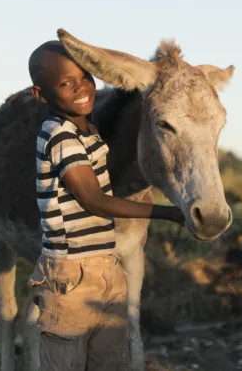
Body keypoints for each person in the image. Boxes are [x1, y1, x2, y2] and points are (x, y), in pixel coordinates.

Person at [27, 40, 185, 371]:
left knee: (109, 362)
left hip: (105, 268)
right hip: (70, 275)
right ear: (41, 95)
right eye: (65, 83)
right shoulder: (60, 136)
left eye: (85, 77)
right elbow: (93, 199)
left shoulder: (88, 129)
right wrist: (166, 212)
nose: (81, 88)